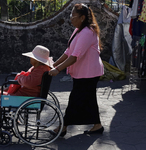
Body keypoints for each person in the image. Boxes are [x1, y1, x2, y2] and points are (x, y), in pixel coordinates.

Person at [48, 3, 104, 136]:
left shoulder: (87, 32)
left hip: (89, 73)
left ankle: (63, 127)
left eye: (73, 16)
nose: (71, 18)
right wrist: (54, 64)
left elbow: (75, 56)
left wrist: (58, 69)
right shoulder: (79, 30)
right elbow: (68, 51)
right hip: (84, 72)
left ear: (82, 17)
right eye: (70, 15)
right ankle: (97, 125)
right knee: (89, 99)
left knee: (75, 100)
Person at [0, 45, 53, 129]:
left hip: (26, 98)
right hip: (27, 95)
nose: (30, 59)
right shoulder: (41, 68)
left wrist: (20, 77)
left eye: (31, 58)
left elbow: (29, 82)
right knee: (1, 92)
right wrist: (22, 76)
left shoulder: (40, 70)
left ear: (36, 60)